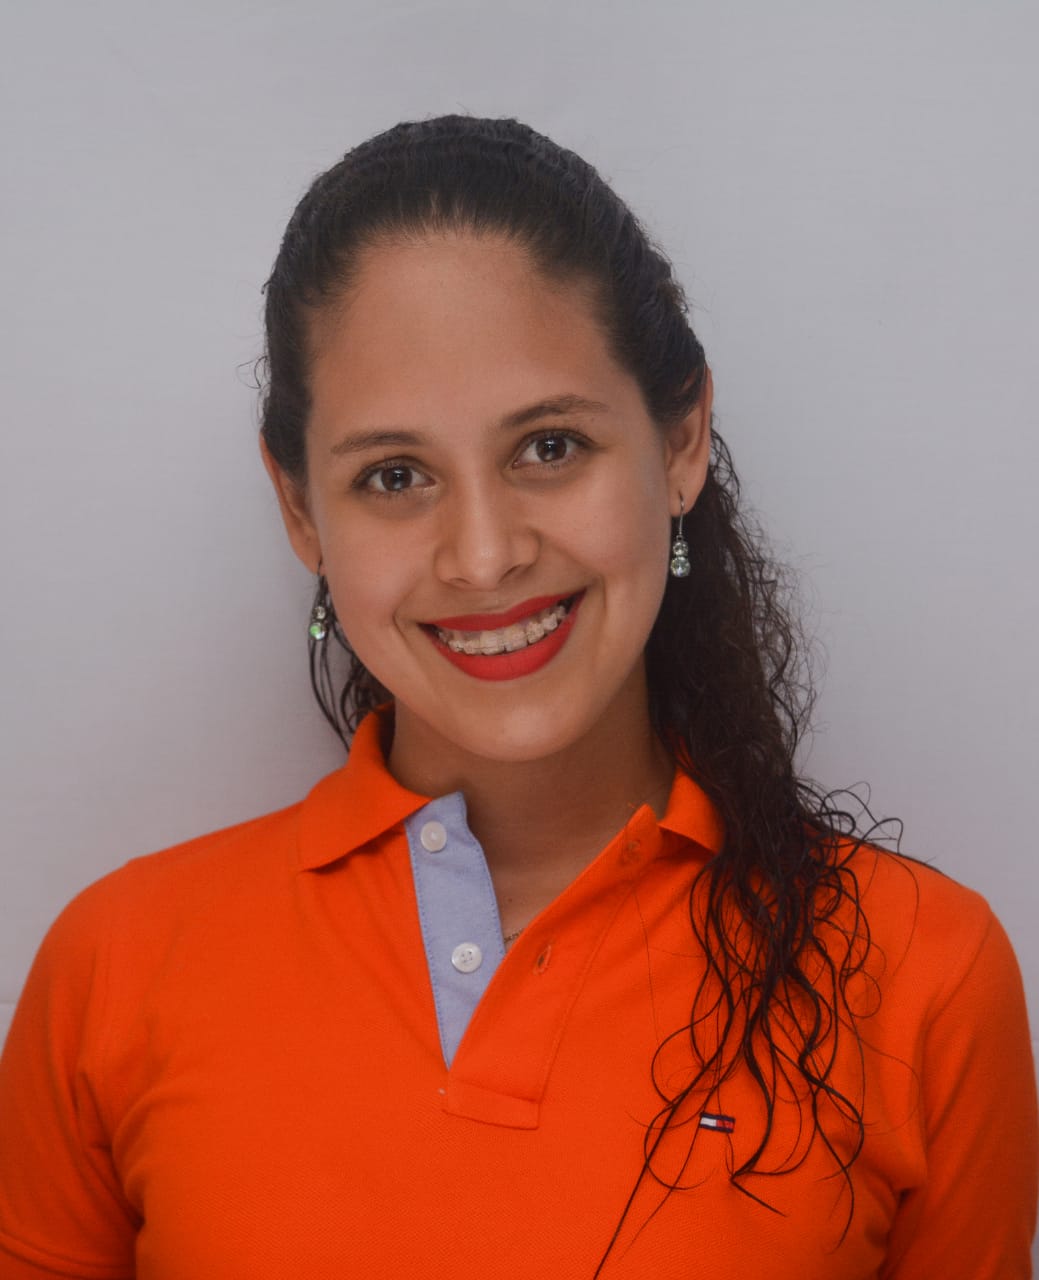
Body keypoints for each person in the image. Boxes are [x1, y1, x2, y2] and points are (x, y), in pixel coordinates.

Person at [0, 115, 1035, 1279]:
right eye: (395, 475)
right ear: (300, 511)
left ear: (680, 441)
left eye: (549, 446)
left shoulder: (924, 973)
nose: (484, 555)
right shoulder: (117, 966)